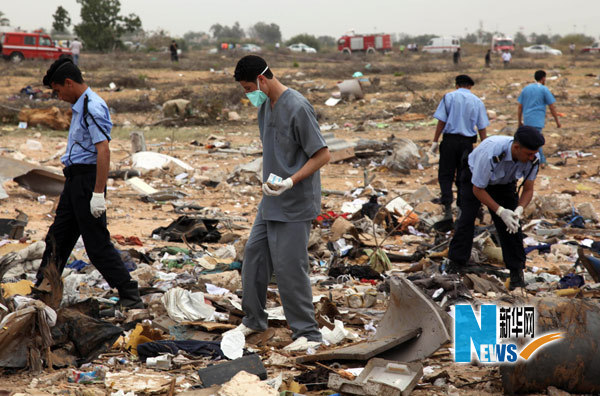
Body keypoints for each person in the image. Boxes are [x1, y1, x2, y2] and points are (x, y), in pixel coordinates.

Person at [225, 55, 330, 351]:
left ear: (262, 79)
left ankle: (308, 333)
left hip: (295, 201)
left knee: (289, 268)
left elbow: (322, 155)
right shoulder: (265, 108)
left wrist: (291, 181)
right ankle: (255, 319)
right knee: (254, 256)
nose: (248, 95)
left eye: (248, 88)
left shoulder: (297, 106)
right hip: (271, 198)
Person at [35, 58, 143, 310]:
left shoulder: (93, 106)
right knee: (58, 236)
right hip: (75, 179)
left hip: (87, 180)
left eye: (58, 90)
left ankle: (129, 292)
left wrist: (97, 193)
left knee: (96, 243)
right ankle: (43, 287)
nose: (58, 96)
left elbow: (103, 150)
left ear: (69, 83)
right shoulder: (80, 105)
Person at [446, 126, 544, 290]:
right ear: (516, 147)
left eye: (534, 154)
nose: (532, 157)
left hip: (504, 183)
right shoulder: (491, 153)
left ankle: (516, 273)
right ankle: (455, 264)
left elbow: (528, 189)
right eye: (528, 154)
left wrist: (518, 210)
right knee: (467, 219)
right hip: (474, 178)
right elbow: (478, 189)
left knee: (512, 226)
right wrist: (500, 211)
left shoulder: (533, 158)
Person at [430, 75, 489, 220]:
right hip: (466, 144)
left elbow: (441, 121)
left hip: (449, 141)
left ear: (457, 85)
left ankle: (448, 210)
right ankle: (462, 209)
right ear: (470, 86)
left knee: (445, 174)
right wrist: (485, 145)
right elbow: (481, 127)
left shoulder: (448, 97)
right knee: (464, 177)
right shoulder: (477, 101)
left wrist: (435, 141)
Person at [517, 70, 561, 168]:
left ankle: (532, 159)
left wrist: (519, 121)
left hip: (527, 118)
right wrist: (557, 121)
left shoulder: (526, 89)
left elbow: (520, 106)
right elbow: (552, 107)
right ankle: (541, 161)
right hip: (537, 119)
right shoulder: (544, 89)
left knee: (529, 139)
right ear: (543, 78)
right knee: (536, 141)